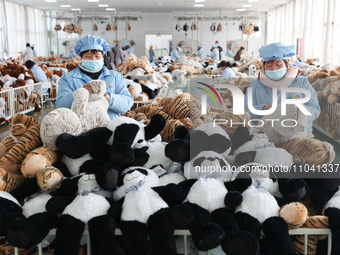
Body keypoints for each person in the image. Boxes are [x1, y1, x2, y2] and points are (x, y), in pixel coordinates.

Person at [244, 42, 320, 134]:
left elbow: (314, 108)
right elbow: (246, 112)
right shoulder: (255, 85)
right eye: (269, 64)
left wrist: (297, 114)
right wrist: (263, 108)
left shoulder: (301, 82)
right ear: (263, 66)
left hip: (298, 134)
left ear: (287, 63)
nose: (274, 68)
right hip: (266, 135)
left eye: (278, 63)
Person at [56, 35, 133, 120]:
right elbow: (60, 105)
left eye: (97, 56)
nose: (93, 59)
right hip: (82, 130)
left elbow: (127, 103)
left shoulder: (114, 76)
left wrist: (110, 98)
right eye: (88, 56)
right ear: (81, 57)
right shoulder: (68, 78)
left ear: (103, 56)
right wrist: (79, 94)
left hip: (110, 128)